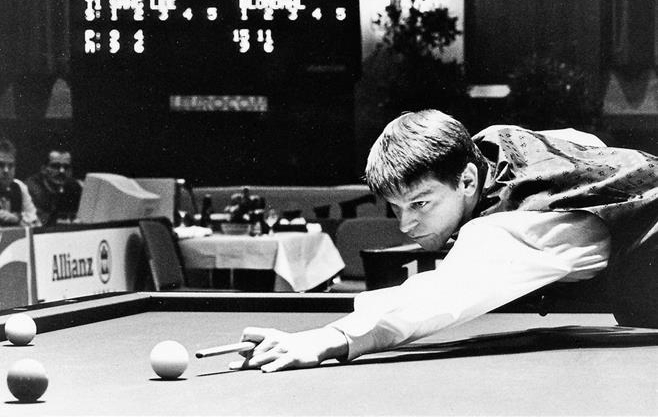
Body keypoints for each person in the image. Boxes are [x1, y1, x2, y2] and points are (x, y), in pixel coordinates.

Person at [230, 109, 658, 373]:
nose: (406, 225)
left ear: (468, 180)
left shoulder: (510, 225)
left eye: (420, 204)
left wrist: (325, 339)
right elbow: (585, 144)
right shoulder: (495, 142)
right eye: (397, 208)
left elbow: (441, 295)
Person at [0, 138, 39, 227]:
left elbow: (35, 223)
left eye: (11, 165)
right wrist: (21, 221)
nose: (6, 170)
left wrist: (17, 218)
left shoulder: (19, 186)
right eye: (0, 165)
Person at [26, 148, 82, 225]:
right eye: (56, 166)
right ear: (44, 169)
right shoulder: (32, 187)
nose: (62, 171)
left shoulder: (75, 187)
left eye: (66, 167)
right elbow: (42, 221)